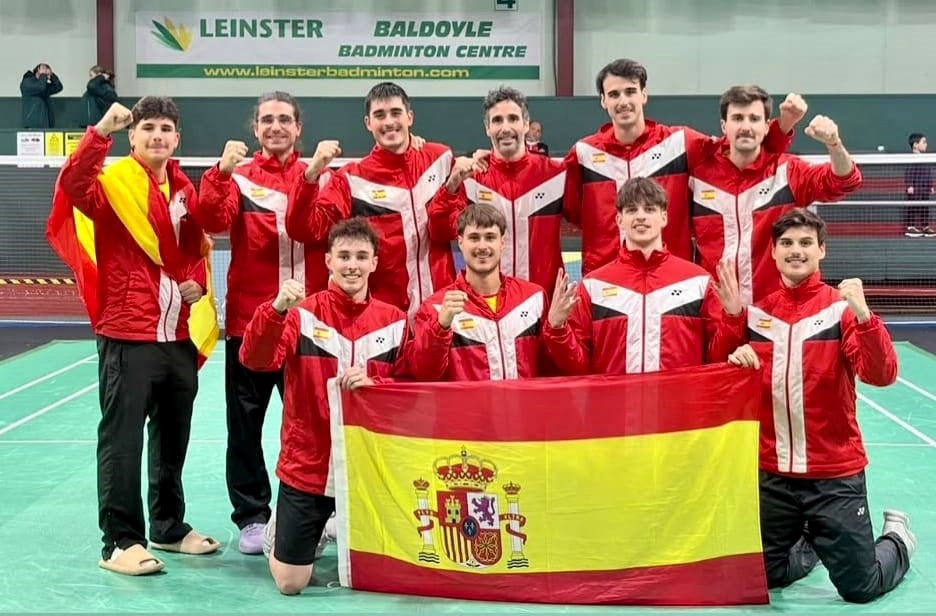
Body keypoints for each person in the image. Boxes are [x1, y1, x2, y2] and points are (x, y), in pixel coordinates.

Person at [48, 99, 219, 576]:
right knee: (122, 440)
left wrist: (198, 285)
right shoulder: (112, 185)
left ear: (177, 138)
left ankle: (167, 525)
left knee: (173, 438)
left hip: (177, 333)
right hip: (128, 331)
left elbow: (192, 251)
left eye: (166, 128)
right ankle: (119, 541)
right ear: (133, 136)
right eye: (148, 128)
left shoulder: (183, 188)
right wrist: (99, 131)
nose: (158, 136)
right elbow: (72, 185)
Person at [726, 208, 915, 603]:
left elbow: (881, 375)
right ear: (774, 253)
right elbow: (725, 374)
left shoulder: (841, 310)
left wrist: (864, 315)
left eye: (806, 243)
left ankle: (897, 538)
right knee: (767, 576)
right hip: (772, 474)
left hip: (834, 474)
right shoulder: (757, 316)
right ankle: (812, 538)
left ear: (821, 251)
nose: (796, 251)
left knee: (860, 588)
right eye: (787, 244)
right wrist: (734, 349)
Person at [239, 217, 413, 595]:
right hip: (309, 468)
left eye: (361, 256)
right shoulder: (302, 315)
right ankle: (278, 532)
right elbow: (255, 359)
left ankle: (335, 524)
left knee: (394, 571)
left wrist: (377, 383)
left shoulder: (395, 322)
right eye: (344, 255)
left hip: (370, 468)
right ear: (329, 261)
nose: (352, 264)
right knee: (290, 583)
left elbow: (410, 387)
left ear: (374, 263)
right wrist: (276, 310)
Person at [192, 91, 333, 555]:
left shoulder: (323, 178)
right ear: (255, 129)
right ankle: (253, 516)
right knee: (246, 426)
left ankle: (323, 508)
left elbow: (318, 233)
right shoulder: (239, 178)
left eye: (285, 120)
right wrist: (220, 172)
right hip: (251, 324)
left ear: (299, 128)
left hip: (311, 325)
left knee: (315, 423)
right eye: (267, 120)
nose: (276, 127)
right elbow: (212, 220)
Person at [564, 58, 803, 274]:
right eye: (614, 94)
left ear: (644, 95)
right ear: (603, 101)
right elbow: (573, 212)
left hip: (672, 281)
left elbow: (740, 145)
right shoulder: (584, 153)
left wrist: (783, 126)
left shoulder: (679, 143)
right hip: (604, 283)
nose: (624, 101)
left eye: (631, 92)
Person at [542, 177, 744, 375]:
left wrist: (733, 317)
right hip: (616, 406)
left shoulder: (697, 282)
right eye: (631, 210)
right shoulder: (593, 286)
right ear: (619, 220)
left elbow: (716, 360)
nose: (640, 216)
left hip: (679, 406)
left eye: (649, 209)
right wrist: (557, 328)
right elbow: (578, 368)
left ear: (664, 217)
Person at [286, 81, 455, 314]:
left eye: (396, 113)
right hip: (384, 318)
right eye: (379, 115)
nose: (388, 122)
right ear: (368, 123)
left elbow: (458, 227)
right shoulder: (351, 180)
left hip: (441, 310)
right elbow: (304, 230)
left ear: (410, 117)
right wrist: (310, 174)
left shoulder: (441, 160)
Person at [689, 86, 862, 305]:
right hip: (715, 315)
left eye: (754, 119)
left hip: (774, 316)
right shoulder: (698, 176)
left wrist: (834, 144)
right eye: (737, 118)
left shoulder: (787, 172)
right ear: (724, 125)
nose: (746, 127)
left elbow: (844, 182)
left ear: (766, 126)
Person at [428, 86, 567, 296]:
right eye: (497, 121)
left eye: (513, 118)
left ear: (526, 124)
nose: (505, 127)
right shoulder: (471, 179)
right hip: (485, 307)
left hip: (543, 302)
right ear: (487, 128)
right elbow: (439, 232)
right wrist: (450, 187)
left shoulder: (556, 174)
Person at [410, 203, 553, 380]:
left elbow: (552, 371)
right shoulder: (436, 308)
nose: (482, 246)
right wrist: (440, 327)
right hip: (468, 409)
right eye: (474, 238)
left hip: (524, 407)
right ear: (461, 242)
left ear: (502, 242)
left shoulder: (533, 298)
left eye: (490, 237)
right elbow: (424, 374)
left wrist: (558, 326)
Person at [903, 132, 934, 237]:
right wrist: (910, 185)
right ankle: (910, 227)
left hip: (924, 189)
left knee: (925, 208)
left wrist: (930, 186)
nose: (926, 144)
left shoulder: (925, 159)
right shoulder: (911, 159)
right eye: (924, 142)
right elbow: (909, 173)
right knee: (913, 206)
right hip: (915, 189)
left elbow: (928, 173)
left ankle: (925, 227)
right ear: (915, 145)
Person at [20, 63, 63, 128]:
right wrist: (43, 74)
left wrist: (52, 75)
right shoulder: (27, 83)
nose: (47, 77)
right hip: (32, 126)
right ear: (37, 72)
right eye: (45, 74)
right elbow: (41, 87)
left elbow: (58, 87)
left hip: (46, 126)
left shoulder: (43, 85)